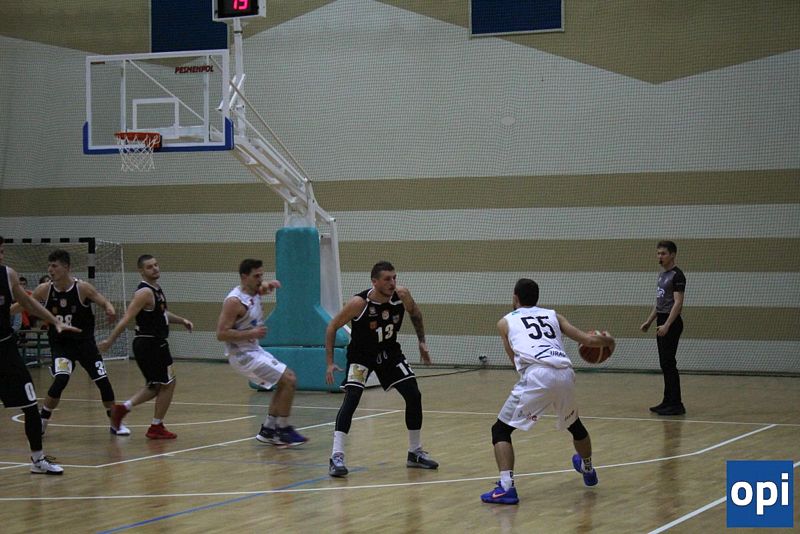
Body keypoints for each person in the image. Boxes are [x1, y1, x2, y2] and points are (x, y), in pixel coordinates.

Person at [480, 278, 615, 505]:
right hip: (565, 372)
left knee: (500, 430)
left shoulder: (505, 322)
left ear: (515, 298)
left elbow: (514, 359)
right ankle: (588, 468)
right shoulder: (554, 315)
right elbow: (588, 340)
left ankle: (506, 488)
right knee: (574, 424)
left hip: (537, 374)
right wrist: (610, 340)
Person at [324, 260, 438, 478]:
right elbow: (332, 326)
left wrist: (422, 342)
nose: (392, 283)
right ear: (374, 282)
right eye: (387, 279)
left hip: (389, 353)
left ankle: (414, 452)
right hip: (361, 356)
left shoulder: (402, 295)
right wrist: (329, 362)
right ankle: (336, 456)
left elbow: (415, 313)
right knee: (352, 398)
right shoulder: (359, 303)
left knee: (414, 394)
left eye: (394, 278)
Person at [0, 236, 81, 474]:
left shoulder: (8, 275)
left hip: (6, 350)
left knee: (30, 405)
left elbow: (28, 302)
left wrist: (55, 320)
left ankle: (38, 460)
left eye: (2, 250)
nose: (2, 255)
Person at [25, 249, 127, 436]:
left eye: (54, 266)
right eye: (49, 266)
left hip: (85, 345)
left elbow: (103, 301)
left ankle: (115, 423)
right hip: (62, 345)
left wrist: (110, 308)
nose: (50, 270)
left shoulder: (82, 288)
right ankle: (42, 420)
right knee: (61, 379)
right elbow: (24, 303)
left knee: (103, 381)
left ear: (66, 267)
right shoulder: (44, 289)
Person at [216, 259, 308, 447]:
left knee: (284, 382)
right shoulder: (234, 302)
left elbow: (262, 288)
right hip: (242, 355)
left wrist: (270, 284)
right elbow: (221, 334)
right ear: (244, 277)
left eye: (261, 275)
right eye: (256, 276)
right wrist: (252, 333)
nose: (260, 280)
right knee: (289, 379)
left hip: (254, 349)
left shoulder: (255, 289)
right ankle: (283, 430)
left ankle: (268, 429)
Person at [100, 255, 193, 439]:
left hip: (152, 343)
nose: (155, 268)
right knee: (168, 384)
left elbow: (163, 314)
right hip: (151, 343)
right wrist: (110, 340)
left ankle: (122, 409)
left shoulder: (155, 290)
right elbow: (127, 318)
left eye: (156, 265)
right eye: (150, 267)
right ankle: (156, 426)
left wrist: (182, 320)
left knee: (155, 386)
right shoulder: (144, 292)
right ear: (141, 271)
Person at [640, 240, 686, 416]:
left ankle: (676, 404)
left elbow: (678, 303)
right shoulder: (662, 275)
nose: (660, 256)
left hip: (671, 322)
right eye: (658, 253)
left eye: (663, 253)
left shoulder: (677, 275)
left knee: (669, 363)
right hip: (661, 319)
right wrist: (649, 321)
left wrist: (667, 324)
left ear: (672, 255)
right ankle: (668, 401)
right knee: (664, 363)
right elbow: (660, 302)